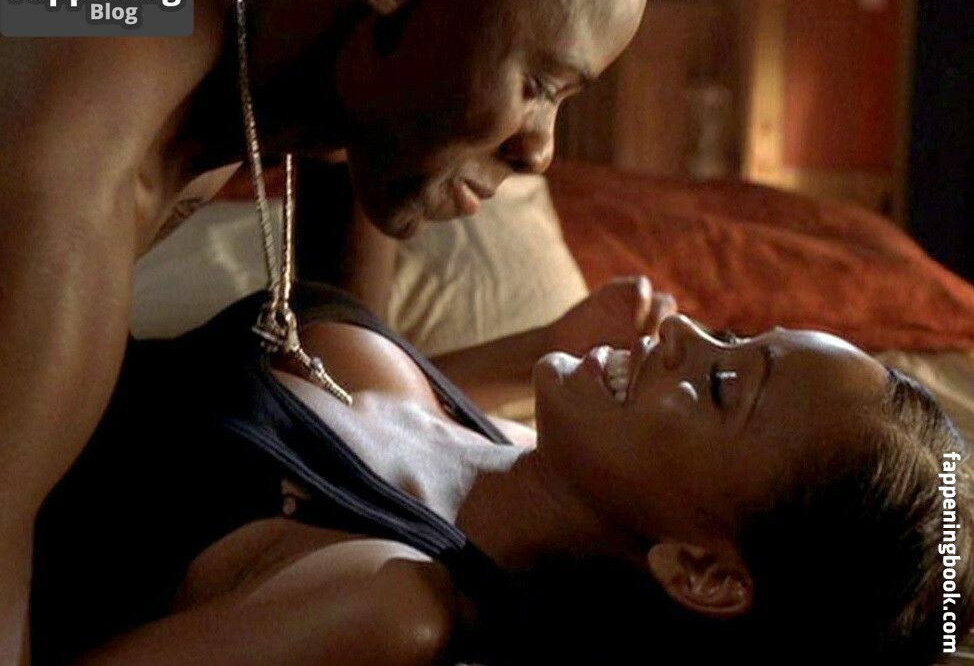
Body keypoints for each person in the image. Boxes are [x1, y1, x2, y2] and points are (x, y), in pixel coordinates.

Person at [0, 0, 656, 658]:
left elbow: (329, 385)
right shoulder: (65, 178)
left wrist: (531, 352)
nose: (540, 152)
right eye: (539, 85)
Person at [31, 280, 974, 665]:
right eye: (735, 334)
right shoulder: (522, 445)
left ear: (701, 570)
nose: (686, 332)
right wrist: (538, 348)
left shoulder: (389, 603)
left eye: (726, 385)